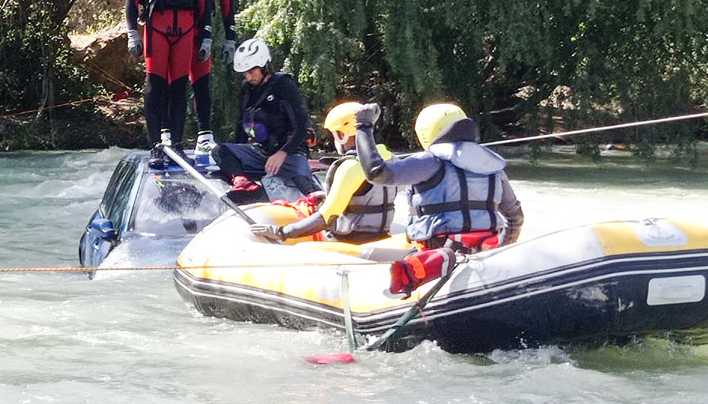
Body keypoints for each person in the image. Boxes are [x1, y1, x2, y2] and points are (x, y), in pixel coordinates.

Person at [351, 101, 524, 250]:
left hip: (437, 253)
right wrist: (499, 249)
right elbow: (515, 218)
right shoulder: (493, 165)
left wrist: (363, 127)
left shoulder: (430, 162)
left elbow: (377, 173)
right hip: (483, 252)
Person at [125, 0, 208, 168]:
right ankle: (155, 147)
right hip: (157, 32)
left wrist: (205, 36)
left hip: (185, 33)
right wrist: (132, 33)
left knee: (180, 89)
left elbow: (203, 4)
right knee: (155, 88)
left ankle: (178, 145)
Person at [250, 101, 397, 243]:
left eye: (334, 134)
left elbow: (325, 218)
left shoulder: (350, 167)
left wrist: (281, 232)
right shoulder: (390, 157)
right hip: (381, 234)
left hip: (350, 240)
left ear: (342, 134)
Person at [213, 37, 322, 202]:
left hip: (290, 153)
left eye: (252, 72)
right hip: (262, 153)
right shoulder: (247, 89)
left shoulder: (284, 86)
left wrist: (282, 153)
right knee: (220, 151)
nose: (249, 77)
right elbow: (241, 124)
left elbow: (301, 127)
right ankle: (245, 185)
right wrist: (237, 155)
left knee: (305, 186)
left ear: (264, 66)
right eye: (245, 73)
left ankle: (314, 200)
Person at [190, 0, 238, 168]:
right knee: (170, 84)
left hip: (203, 33)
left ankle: (204, 135)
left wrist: (230, 37)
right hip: (178, 29)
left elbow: (227, 3)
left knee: (202, 83)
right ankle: (168, 136)